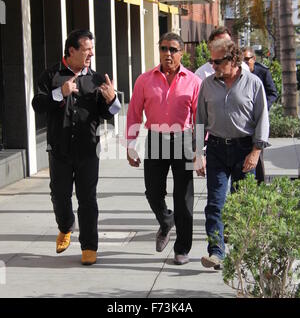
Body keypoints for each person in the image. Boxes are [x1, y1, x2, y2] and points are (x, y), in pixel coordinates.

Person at [32, 29, 121, 265]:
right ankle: (65, 226)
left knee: (87, 199)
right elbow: (37, 105)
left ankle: (89, 247)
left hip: (88, 150)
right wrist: (59, 93)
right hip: (59, 150)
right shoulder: (51, 75)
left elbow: (108, 114)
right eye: (87, 49)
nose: (91, 53)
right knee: (59, 196)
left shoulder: (96, 79)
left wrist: (112, 100)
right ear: (71, 51)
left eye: (92, 48)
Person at [126, 32, 201, 265]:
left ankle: (182, 248)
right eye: (164, 48)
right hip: (156, 137)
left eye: (173, 49)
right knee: (153, 191)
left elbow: (200, 118)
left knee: (184, 197)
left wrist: (200, 152)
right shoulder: (145, 80)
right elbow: (134, 113)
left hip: (183, 140)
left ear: (181, 53)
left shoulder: (193, 81)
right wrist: (131, 144)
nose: (168, 53)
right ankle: (166, 221)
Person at [195, 39, 269, 270]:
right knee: (215, 203)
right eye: (211, 61)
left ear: (233, 59)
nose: (213, 66)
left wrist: (255, 152)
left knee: (243, 203)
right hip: (216, 149)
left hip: (244, 149)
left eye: (217, 61)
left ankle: (241, 252)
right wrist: (199, 153)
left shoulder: (254, 83)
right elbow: (199, 122)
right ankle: (216, 253)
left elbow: (262, 120)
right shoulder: (207, 85)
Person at [242, 47, 278, 183]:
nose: (244, 62)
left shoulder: (262, 71)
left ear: (254, 59)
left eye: (247, 59)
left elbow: (272, 93)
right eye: (242, 59)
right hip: (244, 121)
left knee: (257, 152)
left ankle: (259, 183)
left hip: (259, 120)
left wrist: (263, 108)